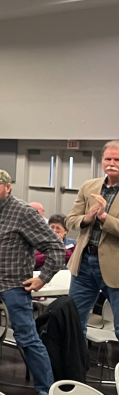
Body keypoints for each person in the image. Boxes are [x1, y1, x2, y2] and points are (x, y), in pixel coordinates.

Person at [0, 168, 64, 395]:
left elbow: (55, 247)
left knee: (27, 338)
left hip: (12, 284)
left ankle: (45, 394)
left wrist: (43, 278)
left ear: (8, 187)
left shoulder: (24, 212)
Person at [66, 140, 119, 342]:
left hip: (115, 267)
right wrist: (87, 218)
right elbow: (70, 220)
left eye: (117, 159)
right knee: (74, 323)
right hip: (85, 263)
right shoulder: (89, 187)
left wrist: (105, 217)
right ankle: (76, 370)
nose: (111, 163)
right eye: (108, 158)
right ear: (102, 160)